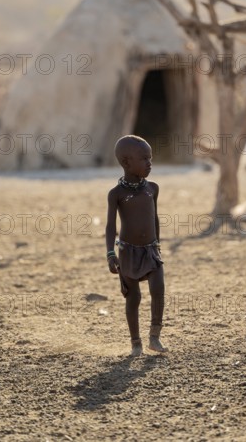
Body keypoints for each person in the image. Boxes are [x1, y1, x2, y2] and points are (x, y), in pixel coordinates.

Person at [106, 135, 167, 357]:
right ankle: (136, 344)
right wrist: (111, 253)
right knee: (133, 298)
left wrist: (157, 244)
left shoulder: (152, 188)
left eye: (150, 158)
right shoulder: (117, 194)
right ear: (126, 162)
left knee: (158, 289)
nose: (150, 163)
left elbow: (155, 218)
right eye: (144, 159)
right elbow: (110, 226)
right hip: (128, 252)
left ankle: (155, 337)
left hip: (151, 250)